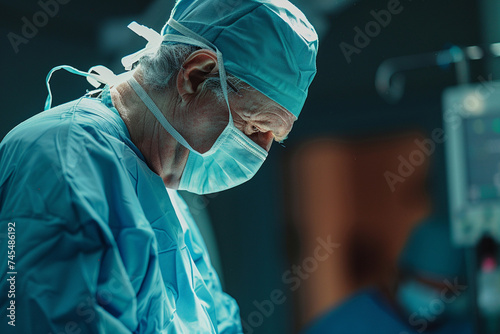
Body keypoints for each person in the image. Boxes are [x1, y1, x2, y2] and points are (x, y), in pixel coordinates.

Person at [0, 0, 317, 332]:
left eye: (273, 137)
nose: (257, 152)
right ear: (196, 76)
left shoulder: (169, 204)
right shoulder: (64, 160)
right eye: (252, 127)